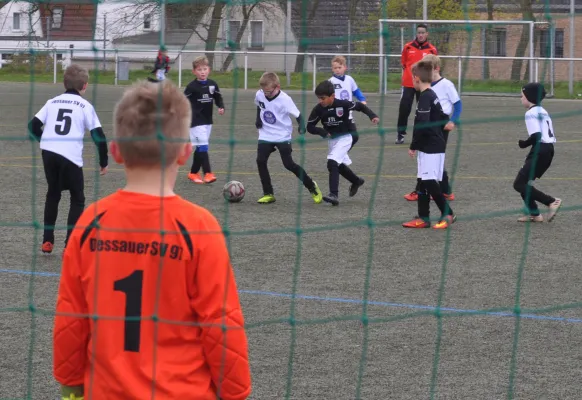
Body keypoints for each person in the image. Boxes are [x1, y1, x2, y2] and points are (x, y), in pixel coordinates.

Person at [52, 80, 252, 400]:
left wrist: (70, 381)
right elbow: (221, 323)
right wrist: (235, 391)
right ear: (186, 152)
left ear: (115, 151)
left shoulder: (91, 222)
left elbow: (71, 315)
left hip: (105, 391)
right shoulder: (199, 227)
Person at [27, 64, 108, 254]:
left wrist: (44, 139)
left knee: (53, 194)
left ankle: (47, 241)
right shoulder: (85, 106)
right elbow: (99, 137)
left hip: (49, 153)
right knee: (77, 198)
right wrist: (103, 161)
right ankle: (69, 244)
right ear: (85, 85)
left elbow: (32, 126)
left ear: (64, 83)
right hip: (70, 156)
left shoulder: (52, 102)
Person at [307, 80, 379, 206]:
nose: (320, 101)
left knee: (332, 162)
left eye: (323, 98)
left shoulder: (342, 104)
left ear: (332, 96)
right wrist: (322, 132)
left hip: (346, 137)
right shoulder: (318, 109)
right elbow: (310, 127)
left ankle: (333, 194)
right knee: (337, 165)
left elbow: (360, 106)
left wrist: (372, 116)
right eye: (318, 98)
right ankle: (356, 181)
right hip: (333, 140)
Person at [254, 72, 323, 204]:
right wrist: (258, 119)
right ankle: (268, 193)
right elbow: (259, 105)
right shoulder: (259, 94)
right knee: (260, 161)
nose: (265, 94)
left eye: (268, 91)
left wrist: (301, 126)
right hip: (266, 133)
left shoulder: (285, 99)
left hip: (282, 135)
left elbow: (298, 115)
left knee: (288, 164)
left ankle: (311, 186)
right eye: (263, 91)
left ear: (277, 87)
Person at [402, 60, 455, 229]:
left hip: (430, 146)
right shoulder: (432, 95)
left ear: (416, 78)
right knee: (423, 181)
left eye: (412, 77)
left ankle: (448, 213)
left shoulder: (425, 98)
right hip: (435, 145)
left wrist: (413, 145)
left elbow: (421, 125)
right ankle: (423, 218)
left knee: (430, 181)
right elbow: (443, 118)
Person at [513, 82, 562, 222]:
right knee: (524, 182)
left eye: (522, 96)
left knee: (519, 184)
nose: (521, 99)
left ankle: (551, 201)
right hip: (548, 150)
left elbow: (536, 136)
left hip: (540, 150)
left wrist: (524, 144)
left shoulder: (530, 113)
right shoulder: (542, 110)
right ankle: (535, 214)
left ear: (529, 97)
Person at [184, 55, 225, 184]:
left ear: (209, 70)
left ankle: (193, 173)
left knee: (200, 148)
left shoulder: (213, 84)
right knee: (203, 147)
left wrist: (221, 106)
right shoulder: (191, 87)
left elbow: (218, 97)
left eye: (204, 69)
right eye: (199, 70)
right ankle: (208, 173)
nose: (202, 72)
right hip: (195, 121)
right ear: (194, 72)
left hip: (207, 120)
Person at [396, 24, 438, 145]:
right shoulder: (408, 47)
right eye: (418, 32)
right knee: (404, 109)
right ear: (416, 34)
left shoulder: (432, 49)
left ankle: (422, 134)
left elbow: (435, 66)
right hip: (409, 84)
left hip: (424, 85)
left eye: (422, 32)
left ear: (427, 34)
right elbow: (404, 63)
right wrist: (410, 75)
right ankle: (400, 134)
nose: (420, 35)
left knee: (423, 110)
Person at [328, 55, 367, 149]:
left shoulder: (349, 79)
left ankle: (340, 154)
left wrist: (362, 100)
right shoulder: (330, 82)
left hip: (348, 113)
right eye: (335, 68)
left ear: (345, 67)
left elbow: (356, 91)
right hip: (336, 114)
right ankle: (337, 156)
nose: (337, 70)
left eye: (339, 67)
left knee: (354, 137)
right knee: (339, 137)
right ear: (332, 69)